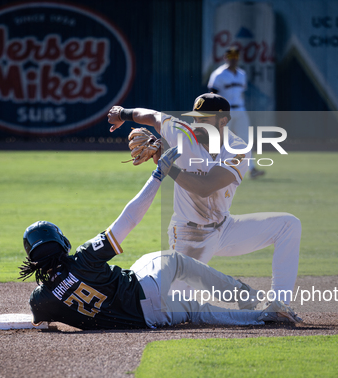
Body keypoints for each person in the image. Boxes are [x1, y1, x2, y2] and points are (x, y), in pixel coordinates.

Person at [19, 147, 302, 330]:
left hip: (149, 321)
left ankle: (263, 317)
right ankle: (252, 300)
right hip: (146, 291)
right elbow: (129, 219)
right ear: (62, 242)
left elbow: (43, 321)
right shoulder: (85, 258)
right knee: (174, 261)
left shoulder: (40, 300)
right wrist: (158, 173)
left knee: (195, 310)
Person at [107, 93, 302, 313]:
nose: (198, 124)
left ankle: (279, 304)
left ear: (223, 121)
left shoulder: (237, 149)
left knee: (289, 224)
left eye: (205, 119)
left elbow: (206, 187)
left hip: (224, 228)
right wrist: (122, 114)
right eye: (196, 117)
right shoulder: (181, 131)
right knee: (174, 309)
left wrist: (167, 166)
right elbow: (152, 117)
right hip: (189, 235)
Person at [208, 46, 265, 179]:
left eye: (235, 58)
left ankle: (252, 169)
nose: (233, 60)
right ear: (225, 58)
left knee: (245, 140)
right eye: (231, 57)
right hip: (224, 112)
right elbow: (212, 94)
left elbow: (241, 94)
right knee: (221, 140)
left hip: (240, 109)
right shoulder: (218, 74)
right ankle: (212, 167)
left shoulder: (241, 74)